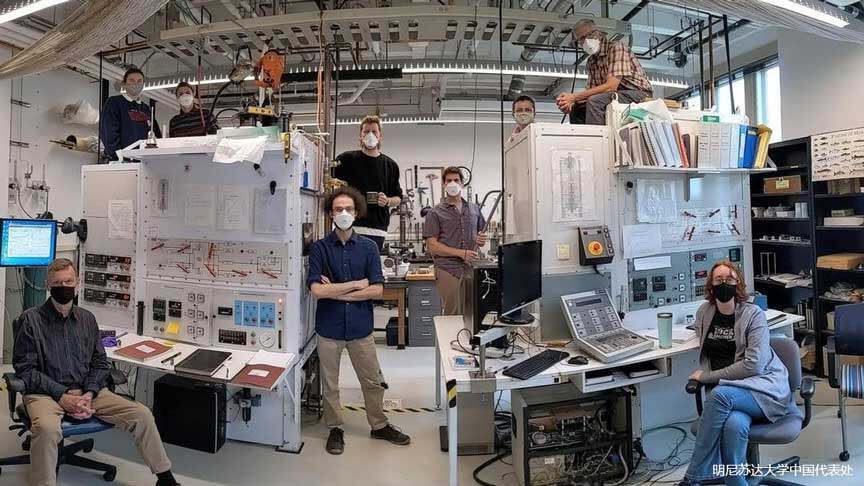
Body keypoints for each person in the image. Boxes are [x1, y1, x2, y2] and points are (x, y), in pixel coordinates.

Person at [12, 259, 178, 486]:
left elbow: (100, 363)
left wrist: (89, 393)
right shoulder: (31, 320)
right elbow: (26, 369)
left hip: (88, 391)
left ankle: (165, 479)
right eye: (58, 283)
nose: (64, 287)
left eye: (68, 282)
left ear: (78, 283)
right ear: (49, 285)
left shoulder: (87, 319)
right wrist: (62, 396)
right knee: (47, 429)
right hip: (46, 393)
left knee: (142, 415)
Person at [307, 187, 411, 455]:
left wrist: (335, 291)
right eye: (338, 209)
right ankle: (335, 428)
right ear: (330, 214)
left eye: (348, 209)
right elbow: (316, 290)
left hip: (360, 328)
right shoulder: (319, 248)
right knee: (330, 384)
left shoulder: (368, 248)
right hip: (329, 328)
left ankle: (379, 425)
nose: (343, 213)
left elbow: (376, 290)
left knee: (373, 380)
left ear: (357, 213)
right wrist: (355, 285)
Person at [678, 260, 797, 486]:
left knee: (719, 395)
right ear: (710, 285)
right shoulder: (705, 312)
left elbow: (753, 367)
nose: (724, 284)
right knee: (734, 425)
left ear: (738, 284)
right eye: (718, 280)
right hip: (731, 397)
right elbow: (702, 339)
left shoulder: (753, 315)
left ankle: (693, 477)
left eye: (729, 279)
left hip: (764, 389)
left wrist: (706, 377)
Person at [555, 19, 653, 125]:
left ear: (598, 33)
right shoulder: (591, 61)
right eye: (581, 39)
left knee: (595, 101)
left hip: (639, 93)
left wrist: (574, 97)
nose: (585, 41)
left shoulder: (616, 47)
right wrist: (570, 102)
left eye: (588, 35)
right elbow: (591, 92)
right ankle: (582, 135)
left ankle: (598, 136)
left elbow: (611, 87)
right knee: (577, 107)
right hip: (615, 95)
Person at [423, 167, 487, 315]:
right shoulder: (434, 213)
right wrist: (461, 253)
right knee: (453, 315)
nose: (453, 183)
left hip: (472, 268)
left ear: (462, 183)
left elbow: (481, 237)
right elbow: (432, 246)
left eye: (456, 180)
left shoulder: (474, 209)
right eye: (449, 180)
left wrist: (481, 240)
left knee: (473, 314)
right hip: (448, 270)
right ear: (444, 184)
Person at [334, 115, 403, 251]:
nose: (370, 135)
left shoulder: (390, 165)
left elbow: (398, 198)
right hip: (348, 225)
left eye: (374, 131)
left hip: (377, 229)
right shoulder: (346, 160)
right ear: (360, 136)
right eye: (366, 131)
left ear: (380, 136)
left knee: (370, 264)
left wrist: (387, 201)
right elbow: (328, 184)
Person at [99, 67, 162, 161]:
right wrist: (118, 156)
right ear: (124, 84)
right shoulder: (114, 103)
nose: (136, 84)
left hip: (144, 160)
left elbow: (156, 136)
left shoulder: (147, 109)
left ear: (143, 84)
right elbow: (108, 133)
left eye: (139, 81)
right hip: (122, 161)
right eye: (132, 80)